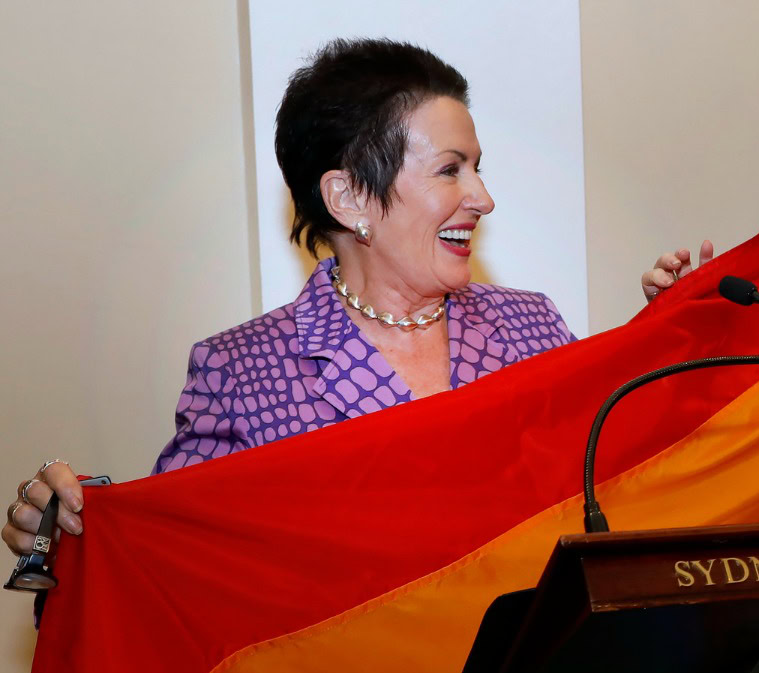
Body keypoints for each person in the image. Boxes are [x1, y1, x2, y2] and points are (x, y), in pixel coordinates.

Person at [3, 38, 713, 559]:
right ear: (347, 196)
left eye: (478, 168)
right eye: (450, 170)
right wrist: (65, 529)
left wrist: (678, 341)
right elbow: (175, 559)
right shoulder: (241, 372)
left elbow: (620, 494)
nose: (482, 197)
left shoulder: (531, 326)